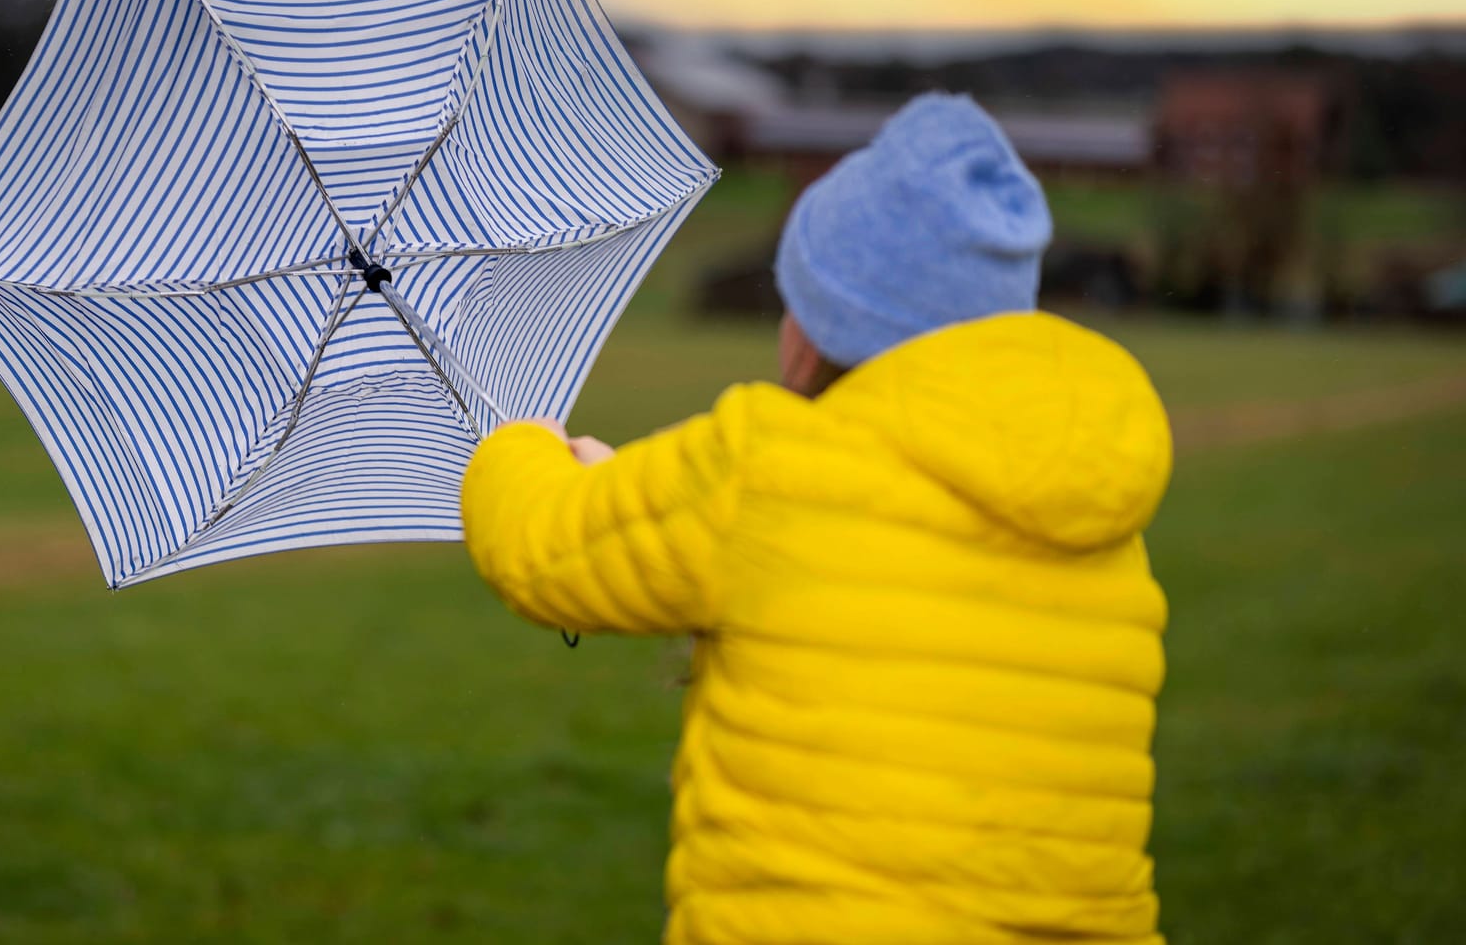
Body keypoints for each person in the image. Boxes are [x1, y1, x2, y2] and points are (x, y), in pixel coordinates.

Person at [461, 93, 1173, 945]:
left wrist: (520, 445)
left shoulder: (765, 471)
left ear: (825, 328)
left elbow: (545, 545)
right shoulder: (1103, 521)